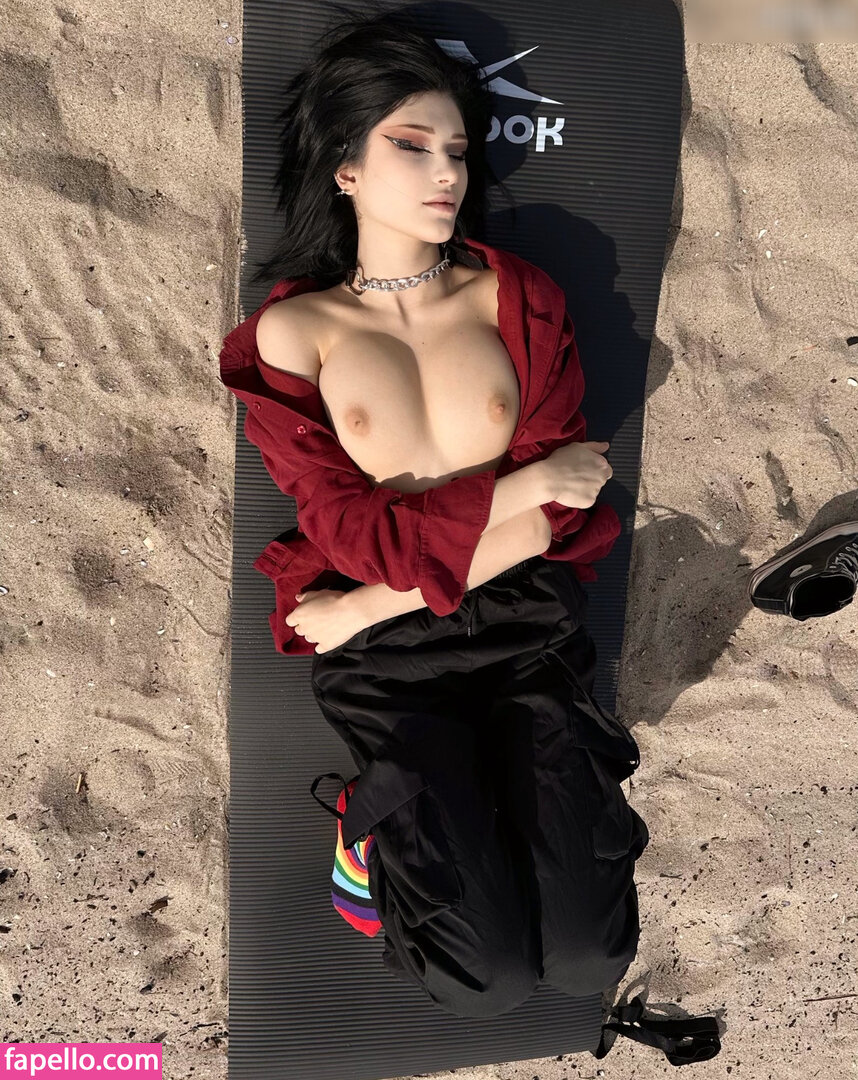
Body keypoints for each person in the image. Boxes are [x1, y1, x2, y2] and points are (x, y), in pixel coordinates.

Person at [222, 2, 720, 1066]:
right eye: (412, 145)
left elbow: (559, 515)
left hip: (518, 631)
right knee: (481, 976)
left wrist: (370, 599)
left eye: (457, 148)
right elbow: (353, 531)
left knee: (591, 951)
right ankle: (367, 839)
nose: (447, 170)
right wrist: (517, 485)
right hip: (391, 668)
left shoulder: (515, 299)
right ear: (345, 167)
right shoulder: (293, 332)